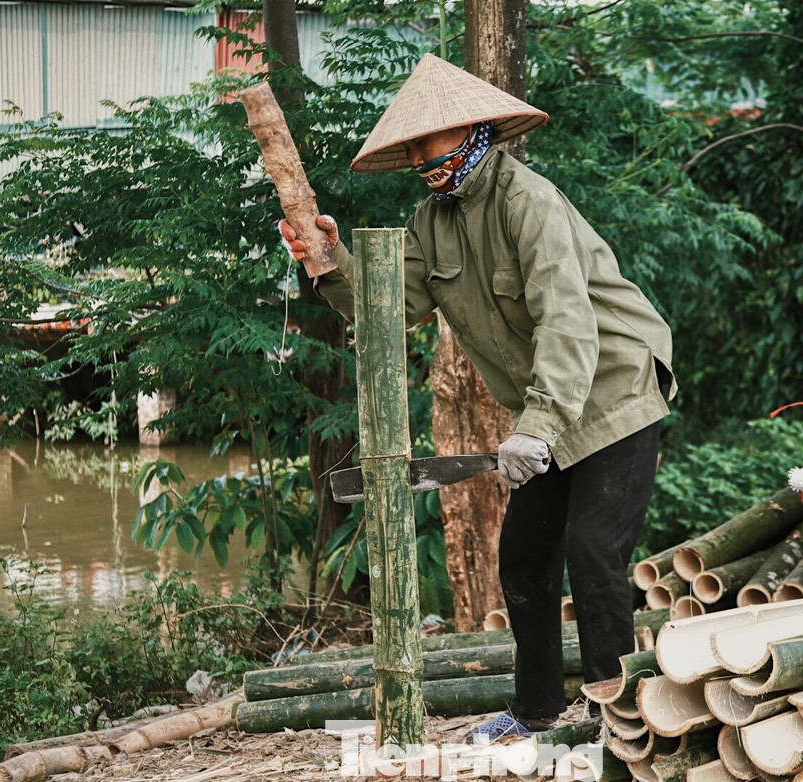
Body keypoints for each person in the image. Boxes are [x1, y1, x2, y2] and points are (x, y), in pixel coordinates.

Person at [278, 54, 676, 735]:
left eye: (430, 146)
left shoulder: (528, 202)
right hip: (548, 409)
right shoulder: (430, 221)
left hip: (616, 392)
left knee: (593, 551)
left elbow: (567, 322)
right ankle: (538, 712)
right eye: (412, 152)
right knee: (523, 558)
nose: (421, 162)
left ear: (471, 131)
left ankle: (618, 718)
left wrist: (537, 427)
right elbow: (391, 305)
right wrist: (329, 261)